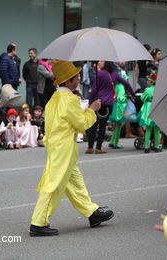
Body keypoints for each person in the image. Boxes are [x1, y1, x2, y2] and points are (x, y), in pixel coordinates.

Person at [29, 60, 114, 236]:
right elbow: (81, 123)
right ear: (68, 81)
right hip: (63, 147)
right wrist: (92, 109)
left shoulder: (55, 97)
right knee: (54, 183)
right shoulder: (68, 99)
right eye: (76, 76)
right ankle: (38, 222)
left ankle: (92, 213)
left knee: (75, 181)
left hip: (58, 145)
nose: (78, 78)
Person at [87, 61, 135, 154]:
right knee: (102, 126)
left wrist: (90, 102)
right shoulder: (115, 75)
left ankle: (90, 147)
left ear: (105, 65)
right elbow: (126, 84)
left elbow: (94, 90)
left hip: (97, 102)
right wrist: (132, 93)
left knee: (93, 124)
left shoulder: (99, 74)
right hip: (108, 104)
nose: (100, 63)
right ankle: (98, 148)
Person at [137, 70, 161, 153]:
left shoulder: (147, 90)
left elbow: (142, 98)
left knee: (148, 129)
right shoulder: (159, 89)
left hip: (148, 109)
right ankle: (157, 147)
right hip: (156, 108)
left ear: (151, 82)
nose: (147, 81)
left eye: (149, 80)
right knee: (157, 129)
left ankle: (146, 147)